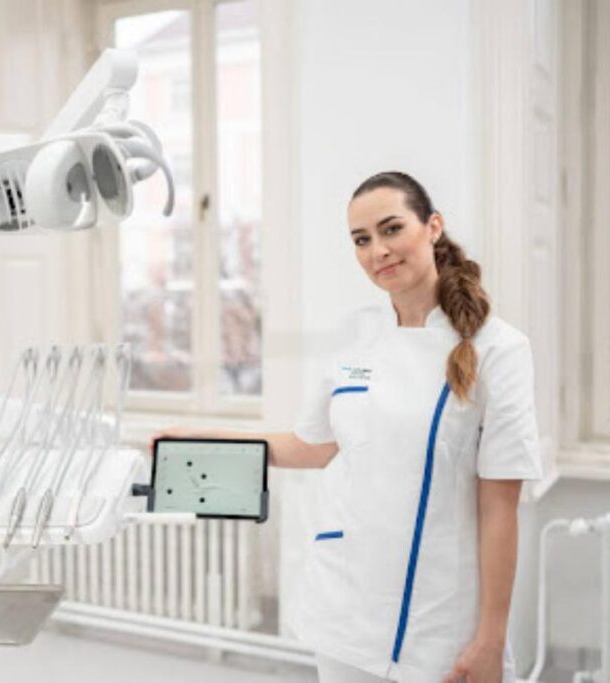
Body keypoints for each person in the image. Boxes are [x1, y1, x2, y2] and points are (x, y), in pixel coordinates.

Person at [156, 171, 542, 682]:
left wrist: (491, 639)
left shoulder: (499, 350)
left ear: (432, 227)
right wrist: (204, 440)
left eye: (392, 229)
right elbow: (311, 446)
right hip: (344, 609)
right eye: (361, 239)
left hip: (439, 619)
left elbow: (499, 507)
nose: (378, 250)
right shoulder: (358, 338)